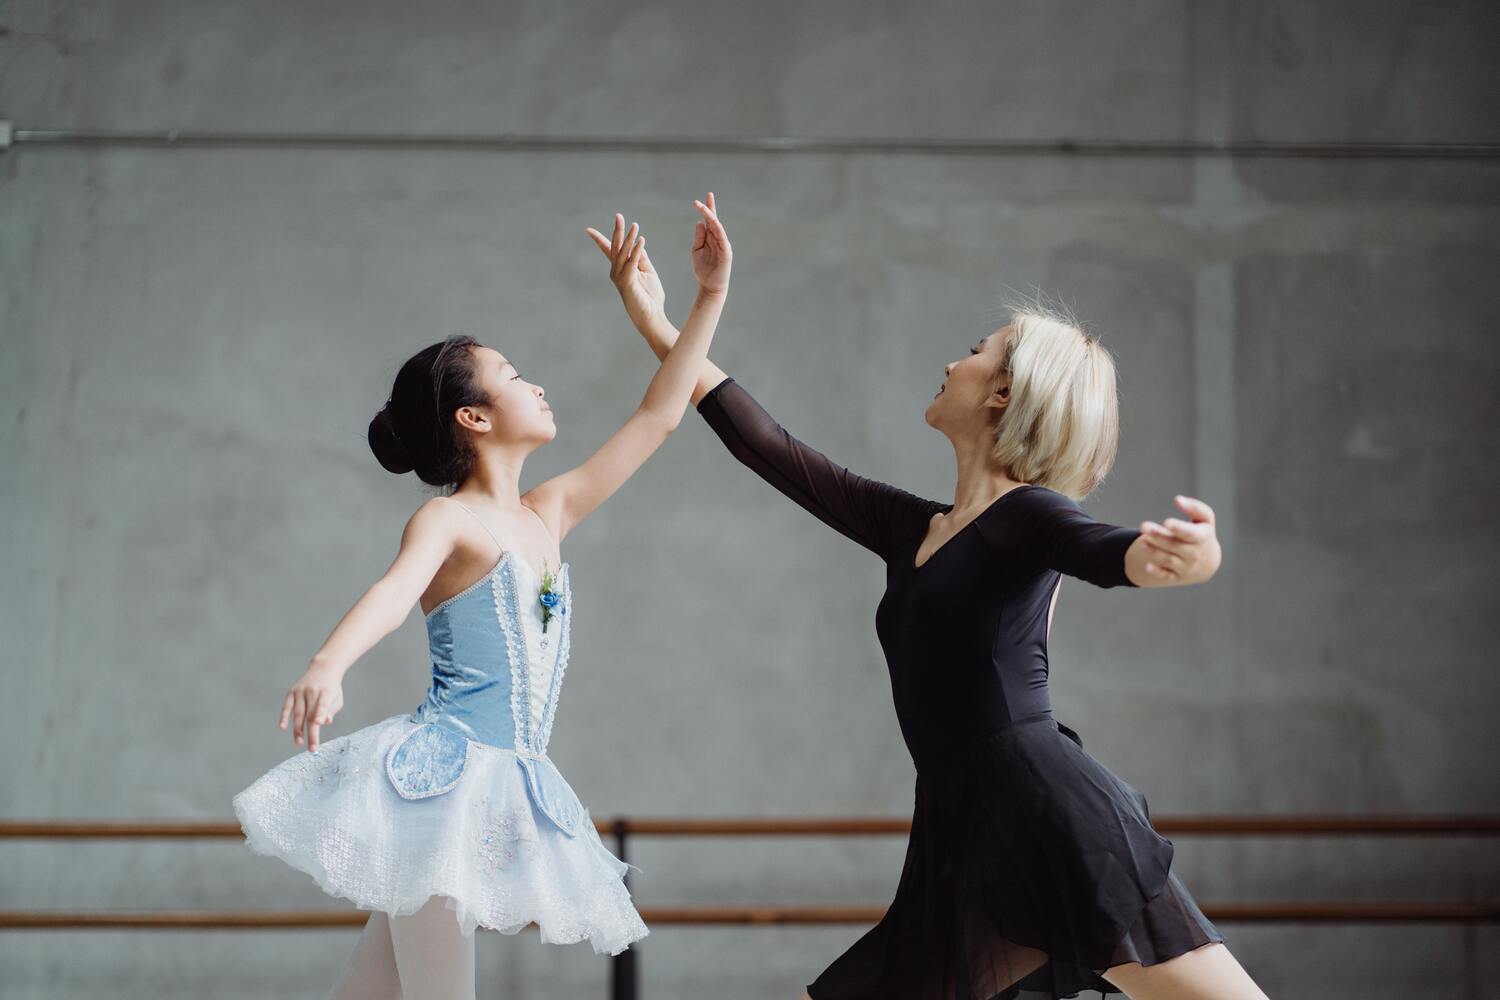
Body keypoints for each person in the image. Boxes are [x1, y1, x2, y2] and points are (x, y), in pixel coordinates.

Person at [588, 192, 1270, 1000]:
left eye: (975, 351)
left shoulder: (1030, 516)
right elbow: (767, 446)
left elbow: (1111, 553)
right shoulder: (915, 527)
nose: (953, 362)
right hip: (964, 831)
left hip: (1047, 814)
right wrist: (674, 321)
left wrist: (1187, 559)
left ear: (1004, 395)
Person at [231, 196, 733, 1000]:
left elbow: (661, 414)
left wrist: (699, 301)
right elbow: (396, 590)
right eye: (513, 376)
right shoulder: (450, 518)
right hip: (438, 789)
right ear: (474, 416)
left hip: (497, 780)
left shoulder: (549, 512)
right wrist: (330, 661)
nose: (537, 385)